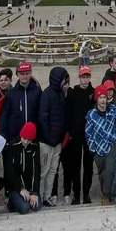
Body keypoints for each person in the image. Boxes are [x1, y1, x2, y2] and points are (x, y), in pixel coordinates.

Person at [85, 84, 116, 205]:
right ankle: (106, 192)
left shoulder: (113, 109)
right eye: (100, 97)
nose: (103, 100)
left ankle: (106, 196)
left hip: (111, 144)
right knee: (102, 173)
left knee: (110, 170)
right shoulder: (91, 114)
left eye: (104, 97)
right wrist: (92, 148)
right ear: (97, 99)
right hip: (98, 148)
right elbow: (88, 133)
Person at [38, 66, 70, 206]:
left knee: (52, 170)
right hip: (46, 142)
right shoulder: (46, 94)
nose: (65, 81)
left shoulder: (60, 94)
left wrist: (60, 136)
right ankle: (38, 197)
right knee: (43, 172)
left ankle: (47, 196)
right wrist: (49, 138)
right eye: (63, 79)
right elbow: (43, 119)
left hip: (57, 141)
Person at [65, 66, 95, 204]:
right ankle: (76, 195)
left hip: (89, 136)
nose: (85, 79)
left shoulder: (93, 92)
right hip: (76, 136)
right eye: (83, 77)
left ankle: (86, 194)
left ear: (89, 77)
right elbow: (69, 113)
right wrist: (70, 132)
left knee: (88, 167)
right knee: (75, 167)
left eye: (87, 77)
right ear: (79, 77)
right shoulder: (73, 93)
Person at [3, 122, 42, 213]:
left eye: (29, 140)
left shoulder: (35, 146)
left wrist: (34, 192)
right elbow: (10, 172)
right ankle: (11, 201)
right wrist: (20, 188)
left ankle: (23, 199)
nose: (25, 142)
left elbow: (36, 170)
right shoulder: (13, 146)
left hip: (28, 185)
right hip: (16, 186)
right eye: (24, 138)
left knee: (37, 206)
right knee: (24, 208)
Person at [0, 61, 41, 142]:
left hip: (32, 136)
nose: (25, 76)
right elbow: (4, 116)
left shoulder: (37, 91)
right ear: (18, 74)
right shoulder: (11, 94)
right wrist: (4, 137)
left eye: (27, 73)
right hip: (15, 137)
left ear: (31, 73)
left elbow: (40, 113)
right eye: (22, 74)